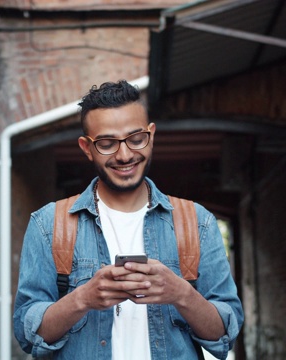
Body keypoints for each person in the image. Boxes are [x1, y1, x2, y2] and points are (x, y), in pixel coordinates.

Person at [13, 80, 243, 359]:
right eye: (107, 144)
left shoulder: (197, 223)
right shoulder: (49, 225)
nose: (125, 155)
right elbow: (27, 333)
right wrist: (82, 299)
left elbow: (224, 334)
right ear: (87, 148)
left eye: (136, 139)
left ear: (151, 135)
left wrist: (181, 293)